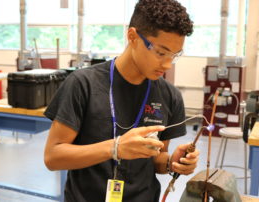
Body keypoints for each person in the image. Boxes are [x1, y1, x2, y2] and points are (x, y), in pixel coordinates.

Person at [44, 0, 199, 201]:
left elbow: (155, 160)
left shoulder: (169, 96)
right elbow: (53, 157)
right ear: (132, 36)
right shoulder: (83, 84)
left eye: (175, 55)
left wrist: (171, 162)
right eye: (161, 53)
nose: (168, 64)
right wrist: (115, 148)